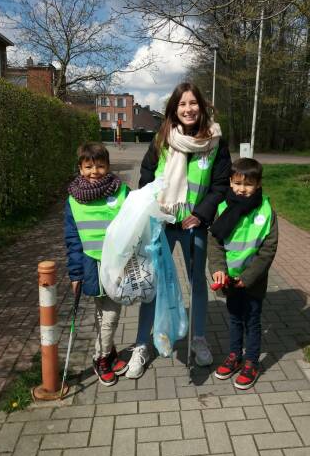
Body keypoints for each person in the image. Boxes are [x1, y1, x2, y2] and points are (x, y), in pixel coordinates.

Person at [125, 82, 231, 378]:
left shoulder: (216, 141)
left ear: (201, 106)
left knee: (197, 284)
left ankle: (198, 339)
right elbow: (146, 175)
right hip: (162, 223)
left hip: (194, 225)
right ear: (174, 109)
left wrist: (200, 214)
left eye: (193, 103)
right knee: (153, 283)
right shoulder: (162, 138)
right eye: (182, 104)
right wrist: (152, 205)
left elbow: (221, 184)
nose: (188, 109)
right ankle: (142, 344)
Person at [208, 158, 278, 389]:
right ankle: (234, 356)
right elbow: (215, 243)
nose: (242, 189)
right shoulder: (222, 208)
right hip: (229, 280)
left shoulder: (266, 211)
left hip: (252, 281)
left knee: (253, 321)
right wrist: (218, 270)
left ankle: (251, 363)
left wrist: (246, 278)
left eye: (248, 184)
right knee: (235, 319)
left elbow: (268, 251)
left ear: (258, 184)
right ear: (230, 181)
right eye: (237, 183)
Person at [64, 141, 130, 386]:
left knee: (111, 313)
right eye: (88, 166)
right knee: (102, 312)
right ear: (80, 168)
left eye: (100, 166)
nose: (94, 172)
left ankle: (101, 356)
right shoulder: (73, 200)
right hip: (91, 265)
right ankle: (107, 354)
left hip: (117, 264)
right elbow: (72, 241)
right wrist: (75, 274)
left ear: (108, 166)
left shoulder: (121, 191)